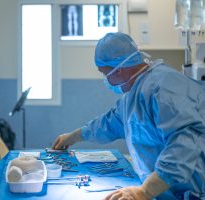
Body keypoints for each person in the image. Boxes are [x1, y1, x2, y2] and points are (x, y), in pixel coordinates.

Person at [52, 32, 205, 200]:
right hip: (167, 191)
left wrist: (145, 191)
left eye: (105, 73)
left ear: (118, 70)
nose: (105, 79)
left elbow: (184, 145)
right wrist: (73, 137)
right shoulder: (135, 94)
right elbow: (109, 123)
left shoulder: (165, 87)